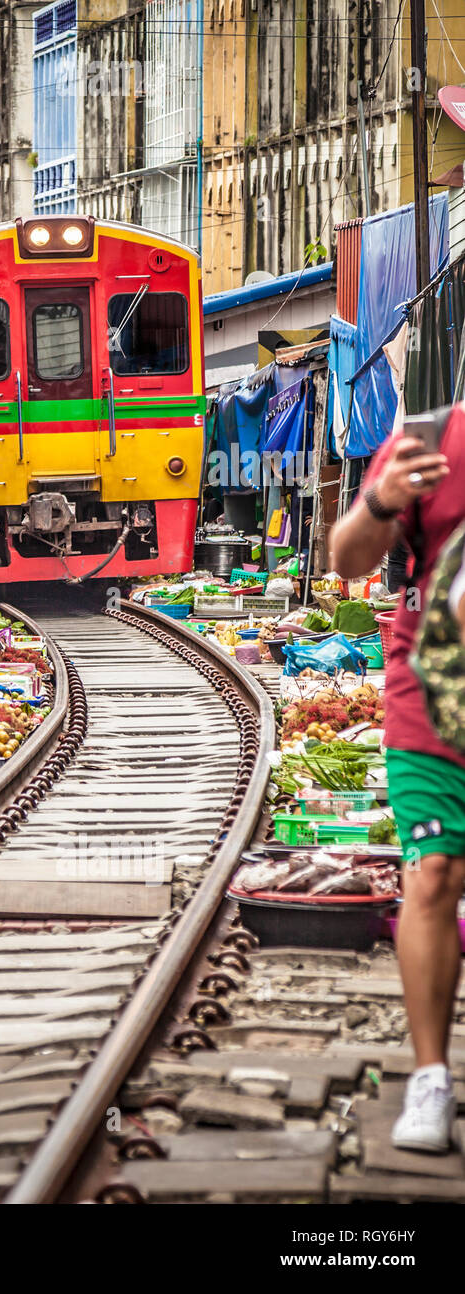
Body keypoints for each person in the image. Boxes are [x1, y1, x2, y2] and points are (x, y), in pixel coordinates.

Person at [330, 407, 461, 1153]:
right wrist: (383, 499)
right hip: (430, 698)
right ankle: (431, 1079)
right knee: (434, 873)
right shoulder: (434, 437)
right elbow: (347, 559)